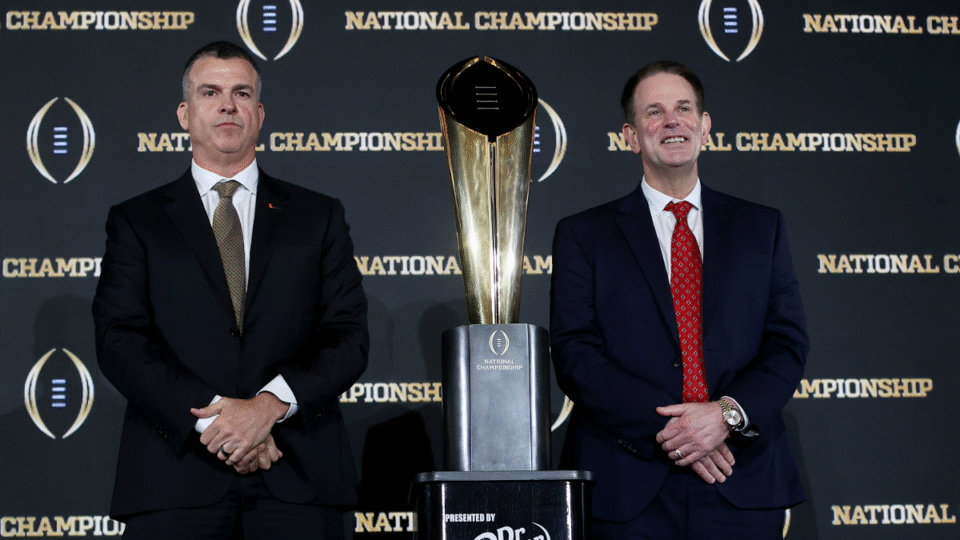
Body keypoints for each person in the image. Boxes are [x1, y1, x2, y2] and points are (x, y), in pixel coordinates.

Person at [92, 41, 368, 539]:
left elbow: (347, 336)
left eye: (242, 93)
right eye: (210, 92)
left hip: (298, 474)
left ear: (259, 114)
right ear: (184, 112)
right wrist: (221, 425)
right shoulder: (137, 221)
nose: (227, 105)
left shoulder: (318, 216)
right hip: (174, 481)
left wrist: (267, 408)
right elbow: (121, 341)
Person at [549, 61, 808, 539]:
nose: (672, 121)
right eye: (655, 112)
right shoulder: (584, 235)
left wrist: (724, 416)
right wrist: (682, 431)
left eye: (684, 108)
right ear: (631, 135)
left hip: (740, 476)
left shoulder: (761, 227)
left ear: (705, 126)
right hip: (627, 482)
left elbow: (786, 344)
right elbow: (576, 354)